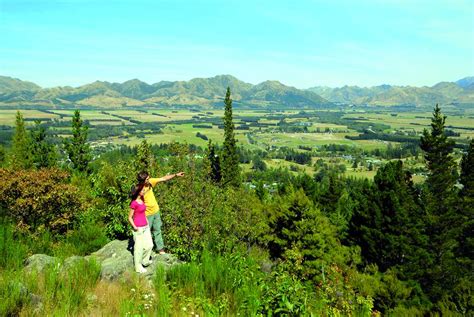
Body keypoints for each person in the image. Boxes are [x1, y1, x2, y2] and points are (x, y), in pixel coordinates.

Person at [136, 170, 185, 255]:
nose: (148, 180)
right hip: (147, 214)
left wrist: (176, 175)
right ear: (142, 180)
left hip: (156, 211)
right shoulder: (138, 189)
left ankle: (160, 250)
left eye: (148, 178)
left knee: (157, 230)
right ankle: (145, 252)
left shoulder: (150, 182)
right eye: (146, 179)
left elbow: (164, 178)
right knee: (146, 233)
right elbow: (135, 203)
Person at [128, 184, 153, 273]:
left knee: (150, 245)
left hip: (146, 226)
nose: (143, 191)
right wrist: (135, 227)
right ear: (138, 192)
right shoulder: (134, 203)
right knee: (139, 249)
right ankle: (138, 267)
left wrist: (147, 222)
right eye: (142, 190)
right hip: (138, 228)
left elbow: (143, 213)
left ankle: (145, 261)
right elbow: (130, 217)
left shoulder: (142, 200)